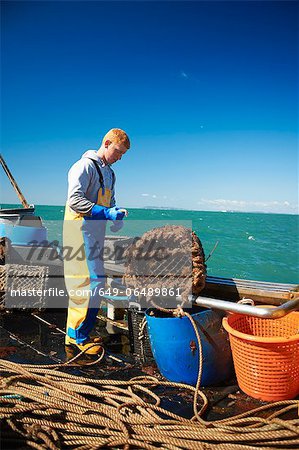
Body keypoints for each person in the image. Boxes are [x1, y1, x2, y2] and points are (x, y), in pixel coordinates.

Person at [63, 128, 130, 354]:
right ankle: (75, 337)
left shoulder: (110, 173)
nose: (120, 158)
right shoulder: (83, 166)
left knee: (98, 283)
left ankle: (84, 331)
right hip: (78, 230)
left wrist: (115, 216)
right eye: (118, 152)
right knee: (84, 283)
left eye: (123, 155)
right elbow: (75, 200)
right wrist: (105, 212)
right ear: (107, 143)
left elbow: (110, 201)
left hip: (95, 233)